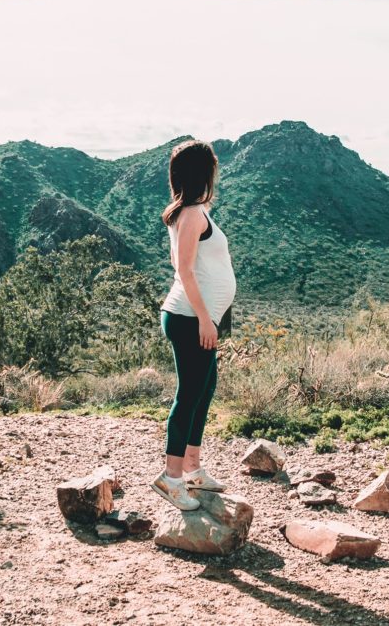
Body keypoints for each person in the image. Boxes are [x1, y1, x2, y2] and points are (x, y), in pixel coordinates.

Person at [150, 139, 237, 510]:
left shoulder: (194, 212)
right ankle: (171, 479)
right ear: (204, 173)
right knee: (188, 395)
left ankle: (192, 468)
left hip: (198, 316)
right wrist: (205, 317)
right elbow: (183, 270)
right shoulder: (190, 215)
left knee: (204, 390)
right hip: (189, 317)